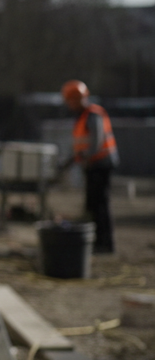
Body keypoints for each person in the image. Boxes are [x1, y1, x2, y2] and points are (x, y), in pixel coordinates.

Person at [61, 80, 118, 253]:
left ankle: (105, 243)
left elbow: (96, 143)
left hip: (100, 165)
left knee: (99, 204)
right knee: (92, 205)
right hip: (93, 165)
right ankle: (96, 242)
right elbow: (81, 146)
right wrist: (69, 162)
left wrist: (86, 159)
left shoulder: (93, 115)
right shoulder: (82, 117)